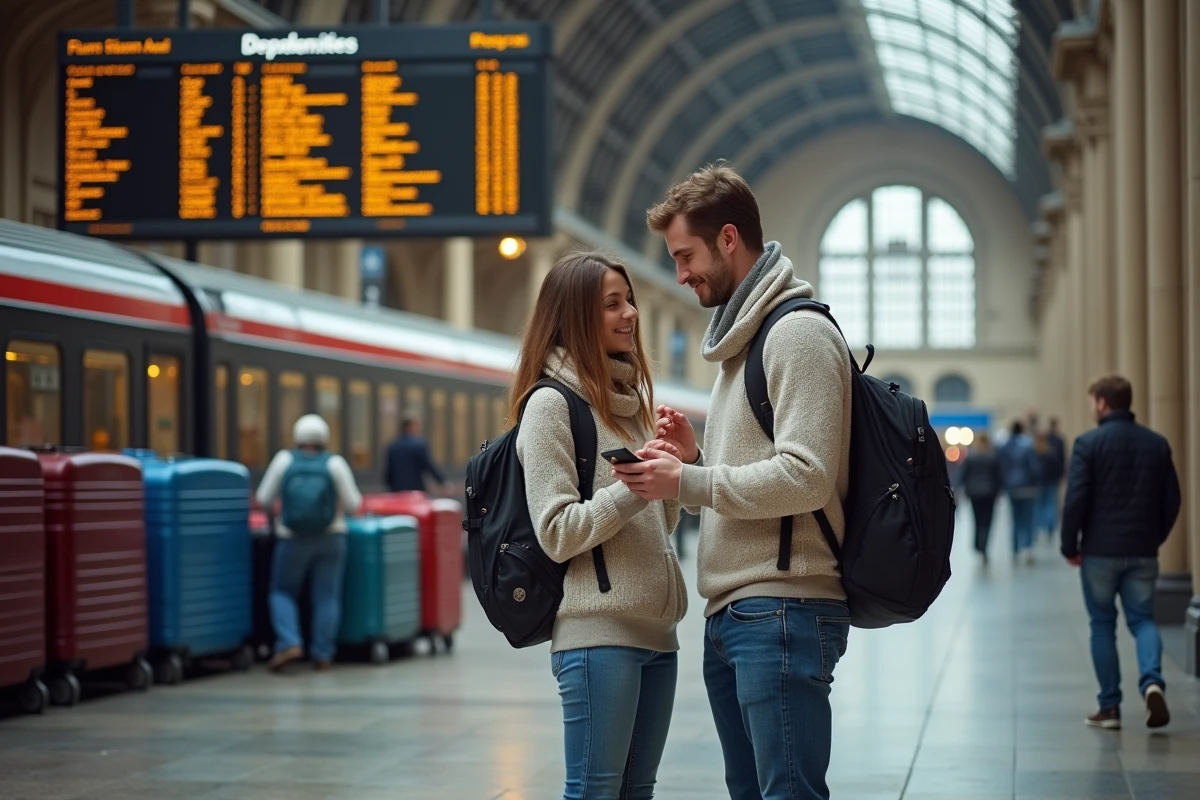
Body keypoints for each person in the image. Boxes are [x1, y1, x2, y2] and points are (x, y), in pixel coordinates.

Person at [613, 163, 853, 800]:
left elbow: (807, 476)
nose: (681, 273)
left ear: (727, 238)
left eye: (686, 255)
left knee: (788, 792)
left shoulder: (796, 333)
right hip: (738, 613)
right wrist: (693, 460)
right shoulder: (739, 344)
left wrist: (688, 484)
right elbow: (756, 469)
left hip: (783, 606)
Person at [514, 251, 687, 800]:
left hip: (658, 632)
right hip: (597, 634)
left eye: (629, 300)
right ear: (573, 316)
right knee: (594, 790)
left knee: (638, 791)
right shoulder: (549, 405)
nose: (630, 313)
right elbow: (558, 530)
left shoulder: (630, 400)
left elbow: (659, 520)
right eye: (612, 304)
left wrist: (679, 467)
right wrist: (634, 484)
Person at [1061, 375, 1180, 731]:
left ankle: (1110, 707)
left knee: (1102, 627)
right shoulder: (1157, 443)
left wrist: (1071, 546)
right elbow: (1172, 500)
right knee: (1143, 619)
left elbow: (1076, 501)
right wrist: (1154, 537)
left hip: (1099, 552)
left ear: (1101, 403)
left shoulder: (1088, 443)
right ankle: (1152, 681)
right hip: (1143, 549)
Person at [256, 414, 363, 672]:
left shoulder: (284, 460)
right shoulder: (335, 464)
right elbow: (353, 504)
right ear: (324, 439)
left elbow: (263, 498)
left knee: (282, 591)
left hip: (292, 539)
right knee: (326, 597)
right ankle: (323, 654)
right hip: (331, 537)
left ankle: (289, 642)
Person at [999, 420, 1040, 564]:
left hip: (1012, 487)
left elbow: (1001, 467)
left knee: (1015, 518)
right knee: (1028, 518)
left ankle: (1015, 549)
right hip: (1028, 487)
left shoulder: (1004, 447)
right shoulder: (1028, 445)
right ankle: (1027, 548)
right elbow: (1034, 467)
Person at [960, 432, 1003, 563]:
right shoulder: (993, 457)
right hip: (989, 493)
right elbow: (998, 476)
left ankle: (978, 544)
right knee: (987, 521)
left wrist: (963, 489)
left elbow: (963, 475)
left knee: (977, 520)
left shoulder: (971, 457)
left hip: (974, 493)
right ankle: (984, 545)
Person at [383, 412, 447, 493]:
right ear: (411, 426)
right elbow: (429, 465)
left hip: (396, 490)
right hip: (415, 489)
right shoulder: (419, 445)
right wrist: (442, 481)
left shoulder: (392, 445)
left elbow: (388, 472)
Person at [1036, 418, 1067, 541]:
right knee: (1051, 503)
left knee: (1041, 504)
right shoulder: (1057, 445)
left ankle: (1041, 527)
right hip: (1052, 480)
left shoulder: (1038, 452)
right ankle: (1049, 528)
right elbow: (1062, 461)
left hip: (1041, 481)